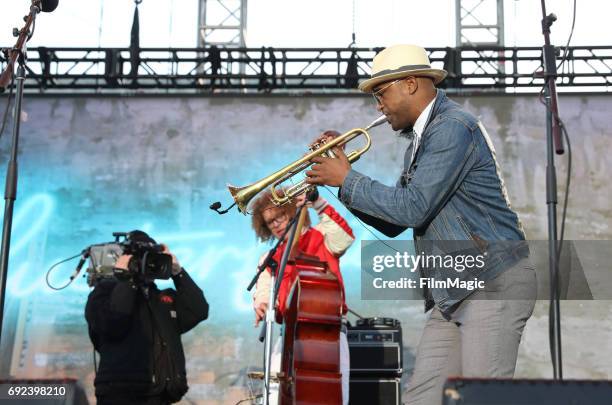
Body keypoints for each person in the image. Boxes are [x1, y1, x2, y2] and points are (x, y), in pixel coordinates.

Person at [305, 44, 536, 405]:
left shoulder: (452, 128)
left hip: (491, 282)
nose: (378, 106)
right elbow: (396, 222)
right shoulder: (422, 140)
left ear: (410, 83)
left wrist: (347, 180)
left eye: (381, 94)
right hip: (455, 290)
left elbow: (412, 209)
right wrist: (341, 183)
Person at [252, 189, 355, 405]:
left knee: (334, 396)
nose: (277, 224)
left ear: (292, 211)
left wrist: (317, 202)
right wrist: (262, 303)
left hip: (329, 337)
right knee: (274, 395)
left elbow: (344, 238)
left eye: (280, 216)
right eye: (271, 222)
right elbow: (264, 289)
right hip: (288, 338)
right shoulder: (270, 259)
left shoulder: (321, 237)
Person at [85, 230, 209, 405]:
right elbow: (113, 324)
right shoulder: (104, 292)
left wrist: (178, 273)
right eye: (140, 258)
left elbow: (199, 310)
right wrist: (126, 279)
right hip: (120, 396)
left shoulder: (162, 299)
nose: (146, 264)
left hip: (161, 395)